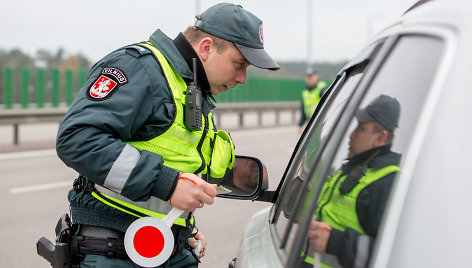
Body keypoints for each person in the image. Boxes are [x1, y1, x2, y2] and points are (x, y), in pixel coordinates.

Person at [51, 3, 279, 268]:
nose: (243, 78)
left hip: (160, 244)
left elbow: (171, 159)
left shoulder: (189, 85)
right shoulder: (140, 68)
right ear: (206, 48)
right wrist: (168, 184)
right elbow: (77, 138)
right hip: (114, 253)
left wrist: (180, 225)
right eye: (239, 64)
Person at [307, 95, 401, 268]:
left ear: (380, 138)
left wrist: (336, 243)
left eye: (360, 129)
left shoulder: (385, 183)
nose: (351, 135)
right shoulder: (354, 167)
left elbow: (392, 256)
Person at [298, 68, 328, 134]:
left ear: (316, 77)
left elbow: (328, 105)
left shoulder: (322, 88)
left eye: (311, 77)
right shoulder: (304, 92)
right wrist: (300, 125)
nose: (309, 79)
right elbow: (303, 110)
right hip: (311, 124)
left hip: (322, 123)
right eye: (308, 77)